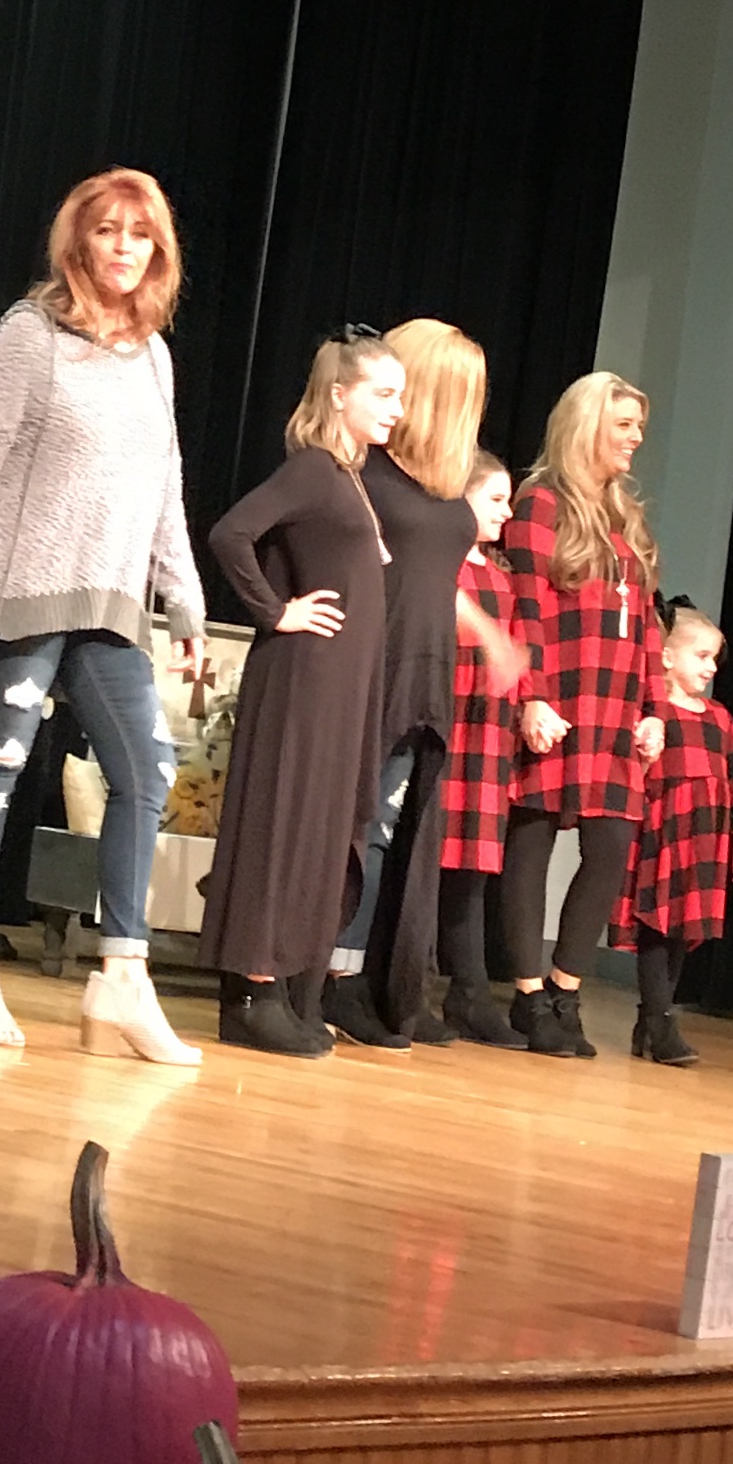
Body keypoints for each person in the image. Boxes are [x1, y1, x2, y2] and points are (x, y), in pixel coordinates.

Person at [0, 169, 203, 1067]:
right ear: (77, 241)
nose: (124, 247)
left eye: (140, 234)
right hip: (27, 594)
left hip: (113, 603)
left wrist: (184, 596)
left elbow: (165, 487)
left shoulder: (152, 354)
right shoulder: (29, 335)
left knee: (146, 772)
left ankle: (121, 975)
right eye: (107, 230)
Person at [200, 332, 406, 1057]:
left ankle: (285, 984)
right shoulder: (315, 468)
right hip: (303, 680)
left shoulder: (349, 476)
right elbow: (231, 533)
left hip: (340, 688)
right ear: (339, 394)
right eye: (384, 394)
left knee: (321, 829)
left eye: (401, 396)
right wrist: (275, 611)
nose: (397, 410)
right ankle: (251, 990)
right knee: (283, 823)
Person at [324, 320, 523, 1049]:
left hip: (421, 676)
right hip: (368, 669)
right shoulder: (362, 472)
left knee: (382, 833)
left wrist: (490, 635)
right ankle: (308, 971)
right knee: (348, 828)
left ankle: (349, 977)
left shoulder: (433, 489)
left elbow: (434, 579)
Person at [499, 371, 667, 1058]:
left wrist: (655, 708)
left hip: (616, 708)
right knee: (533, 839)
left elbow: (648, 623)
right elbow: (525, 606)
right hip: (560, 698)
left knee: (610, 847)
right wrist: (532, 694)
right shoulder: (540, 504)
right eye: (624, 425)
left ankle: (566, 988)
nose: (635, 438)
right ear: (587, 426)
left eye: (638, 427)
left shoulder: (625, 518)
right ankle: (527, 995)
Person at [610, 606, 733, 1066]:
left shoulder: (720, 719)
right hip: (664, 833)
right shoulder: (656, 714)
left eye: (715, 659)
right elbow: (637, 771)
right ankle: (660, 1021)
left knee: (683, 930)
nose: (712, 668)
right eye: (702, 656)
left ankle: (653, 1020)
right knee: (658, 924)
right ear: (668, 658)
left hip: (705, 839)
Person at [436, 452, 527, 1045]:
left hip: (489, 732)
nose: (507, 512)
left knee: (472, 866)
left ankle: (468, 992)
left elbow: (514, 657)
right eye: (495, 499)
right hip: (449, 721)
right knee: (428, 857)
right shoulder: (441, 567)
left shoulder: (500, 580)